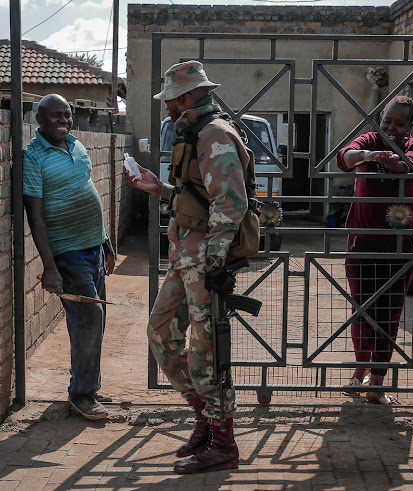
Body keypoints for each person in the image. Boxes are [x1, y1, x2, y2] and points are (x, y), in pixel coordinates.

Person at [126, 60, 249, 474]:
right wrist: (157, 188)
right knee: (160, 332)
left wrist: (216, 261)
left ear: (184, 97)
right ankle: (204, 420)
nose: (166, 107)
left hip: (203, 259)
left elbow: (230, 202)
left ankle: (223, 442)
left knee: (204, 350)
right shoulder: (194, 131)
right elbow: (195, 195)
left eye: (169, 100)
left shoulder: (214, 133)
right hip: (186, 254)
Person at [23, 94, 116, 420]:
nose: (63, 121)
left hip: (93, 248)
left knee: (96, 322)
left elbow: (86, 189)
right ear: (39, 119)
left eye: (67, 115)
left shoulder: (77, 146)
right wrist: (49, 267)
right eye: (55, 116)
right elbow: (35, 217)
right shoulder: (32, 157)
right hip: (69, 253)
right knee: (88, 322)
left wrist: (105, 242)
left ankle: (88, 385)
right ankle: (82, 395)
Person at [336, 95, 413, 406]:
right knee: (362, 309)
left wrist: (389, 160)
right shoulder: (370, 139)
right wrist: (367, 154)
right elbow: (344, 157)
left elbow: (408, 166)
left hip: (400, 244)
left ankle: (378, 384)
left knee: (389, 313)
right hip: (363, 241)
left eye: (399, 124)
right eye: (387, 120)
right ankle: (358, 375)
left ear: (410, 126)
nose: (391, 128)